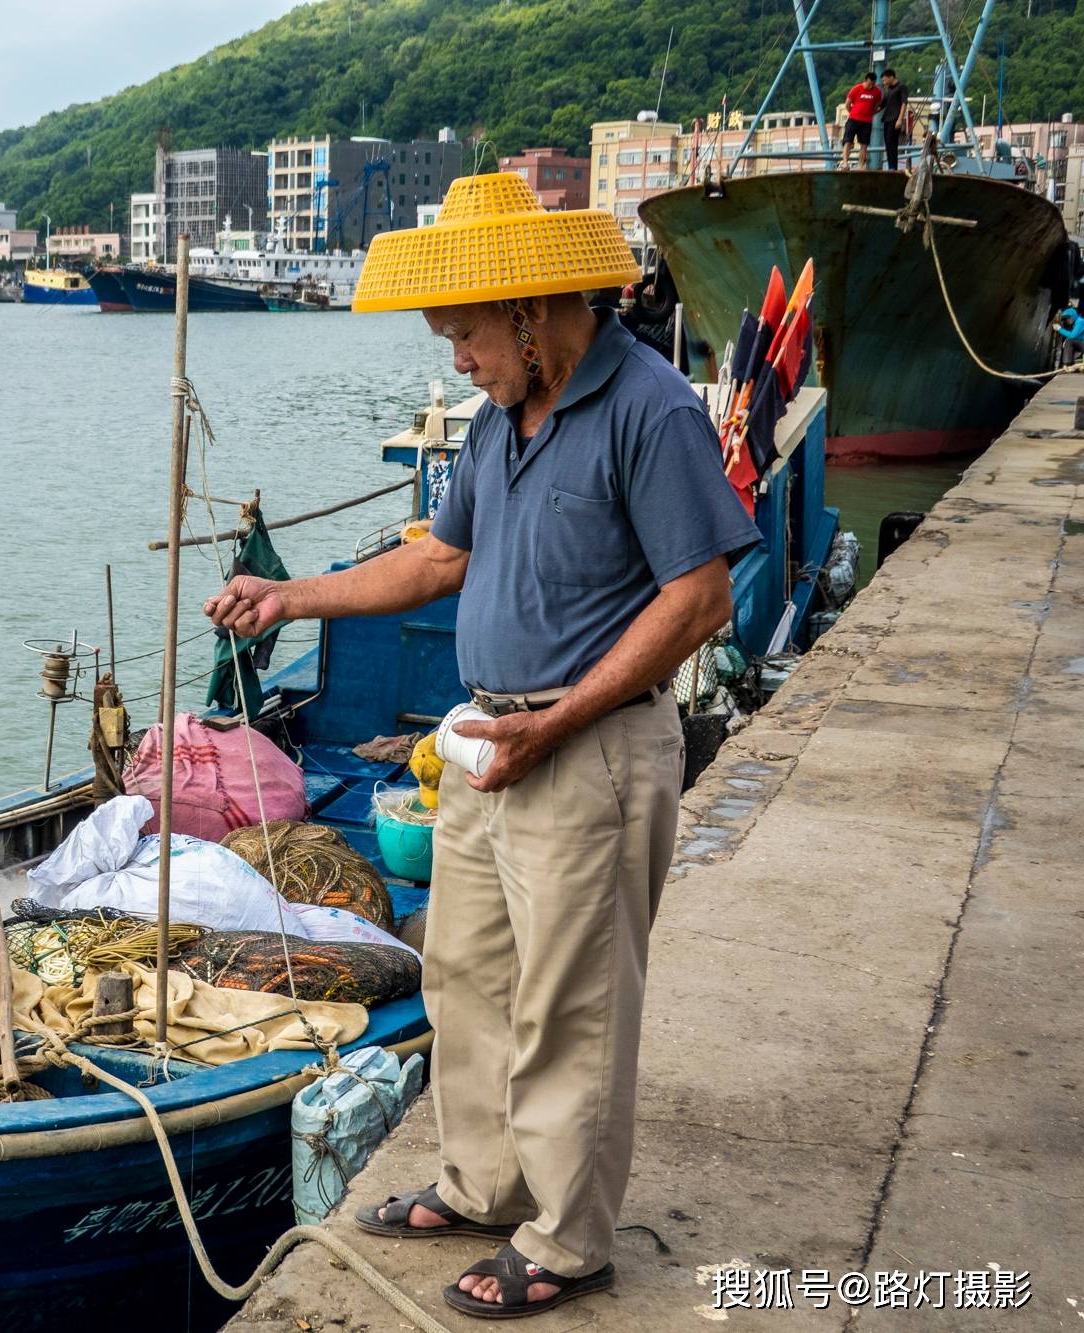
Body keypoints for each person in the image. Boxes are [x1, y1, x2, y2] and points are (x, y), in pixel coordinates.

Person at [206, 174, 759, 1320]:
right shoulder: (504, 416)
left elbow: (696, 598)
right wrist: (287, 596)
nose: (453, 357)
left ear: (526, 310)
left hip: (587, 748)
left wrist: (551, 724)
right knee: (462, 974)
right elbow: (436, 560)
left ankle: (566, 1239)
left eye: (461, 332)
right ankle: (482, 1183)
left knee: (571, 1001)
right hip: (482, 744)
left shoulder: (645, 409)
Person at [839, 71, 883, 168]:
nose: (871, 86)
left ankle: (861, 165)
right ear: (865, 80)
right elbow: (847, 103)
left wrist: (871, 113)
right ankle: (845, 163)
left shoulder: (877, 92)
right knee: (848, 141)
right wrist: (852, 112)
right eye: (869, 84)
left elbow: (877, 105)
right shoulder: (856, 89)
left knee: (864, 144)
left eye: (873, 84)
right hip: (853, 119)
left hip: (866, 121)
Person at [879, 68, 909, 168]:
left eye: (885, 80)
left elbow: (904, 103)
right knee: (888, 144)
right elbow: (882, 105)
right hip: (887, 119)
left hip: (895, 118)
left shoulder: (901, 87)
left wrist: (900, 119)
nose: (884, 82)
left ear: (891, 77)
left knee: (892, 143)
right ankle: (890, 166)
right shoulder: (888, 90)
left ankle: (893, 167)